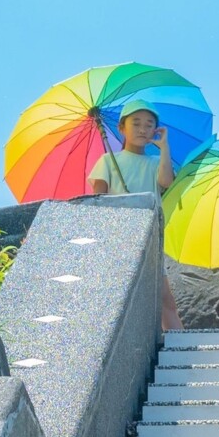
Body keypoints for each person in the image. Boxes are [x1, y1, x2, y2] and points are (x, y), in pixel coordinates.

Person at [88, 104, 180, 330]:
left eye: (149, 125)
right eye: (136, 123)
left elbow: (166, 182)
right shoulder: (109, 160)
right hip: (118, 237)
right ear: (122, 128)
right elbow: (98, 199)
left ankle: (182, 350)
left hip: (149, 238)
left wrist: (164, 148)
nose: (142, 129)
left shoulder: (155, 163)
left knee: (165, 299)